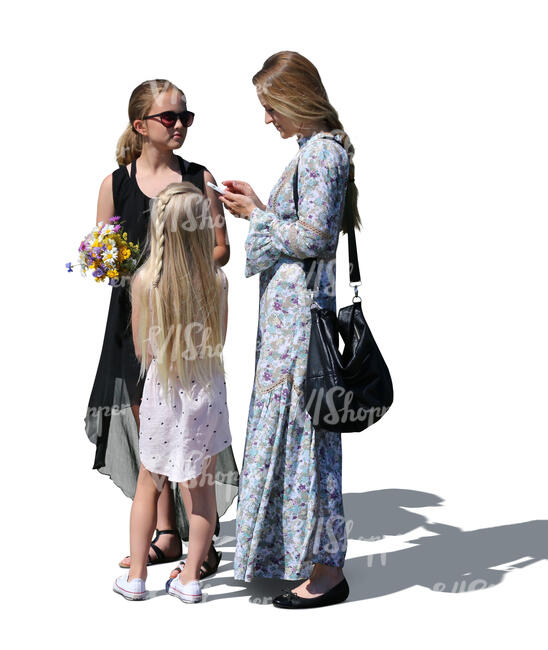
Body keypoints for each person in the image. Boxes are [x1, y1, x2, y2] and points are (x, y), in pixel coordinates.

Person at [219, 51, 360, 609]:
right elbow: (305, 228)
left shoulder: (322, 153)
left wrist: (256, 213)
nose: (267, 118)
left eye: (271, 106)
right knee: (297, 440)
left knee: (310, 443)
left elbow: (316, 238)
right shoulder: (312, 151)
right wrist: (260, 207)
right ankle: (294, 556)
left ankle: (326, 572)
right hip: (288, 326)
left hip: (301, 330)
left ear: (296, 99)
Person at [85, 79, 239, 580]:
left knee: (193, 430)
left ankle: (203, 541)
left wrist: (172, 272)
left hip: (186, 323)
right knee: (150, 426)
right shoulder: (116, 182)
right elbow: (101, 249)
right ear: (140, 126)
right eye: (169, 117)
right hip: (133, 323)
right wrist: (107, 262)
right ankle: (167, 535)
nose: (178, 125)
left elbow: (221, 249)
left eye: (184, 117)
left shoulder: (199, 177)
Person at [113, 182, 232, 603]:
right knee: (201, 488)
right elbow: (218, 340)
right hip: (207, 391)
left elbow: (143, 347)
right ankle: (191, 580)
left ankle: (138, 576)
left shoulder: (145, 282)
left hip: (164, 390)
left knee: (150, 481)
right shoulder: (217, 281)